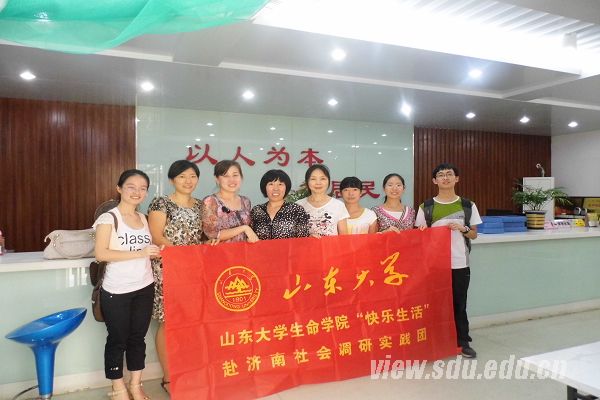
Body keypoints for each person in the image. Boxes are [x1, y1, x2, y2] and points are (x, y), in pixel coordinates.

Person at [93, 169, 161, 400]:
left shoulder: (143, 218)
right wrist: (140, 252)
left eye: (143, 188)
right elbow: (101, 254)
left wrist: (155, 252)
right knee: (117, 339)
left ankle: (135, 385)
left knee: (137, 339)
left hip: (144, 286)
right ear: (119, 188)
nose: (137, 192)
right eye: (131, 187)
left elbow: (148, 251)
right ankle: (118, 388)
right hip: (117, 290)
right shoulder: (108, 218)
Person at [414, 163, 482, 358]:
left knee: (459, 303)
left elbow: (474, 234)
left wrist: (463, 229)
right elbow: (419, 237)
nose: (445, 178)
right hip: (435, 265)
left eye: (449, 174)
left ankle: (462, 341)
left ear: (456, 179)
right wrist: (422, 233)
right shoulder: (426, 207)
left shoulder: (468, 205)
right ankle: (437, 340)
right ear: (434, 180)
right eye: (441, 175)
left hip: (460, 263)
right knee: (435, 303)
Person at [147, 160, 204, 394]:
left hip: (195, 271)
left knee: (190, 322)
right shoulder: (161, 203)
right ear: (172, 180)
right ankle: (169, 378)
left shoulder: (201, 205)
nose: (188, 181)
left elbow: (202, 237)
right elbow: (156, 236)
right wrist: (183, 257)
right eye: (182, 176)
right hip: (168, 268)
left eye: (192, 176)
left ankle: (188, 371)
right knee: (169, 322)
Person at [203, 160, 259, 243]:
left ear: (241, 177)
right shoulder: (210, 201)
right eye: (226, 176)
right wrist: (244, 228)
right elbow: (212, 234)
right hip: (221, 250)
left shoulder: (245, 201)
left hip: (244, 250)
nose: (231, 180)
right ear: (217, 179)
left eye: (235, 175)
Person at [250, 169, 310, 240]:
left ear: (286, 187)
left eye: (280, 184)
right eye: (271, 184)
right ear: (265, 187)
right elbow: (248, 237)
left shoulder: (296, 210)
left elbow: (303, 240)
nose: (276, 188)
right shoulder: (257, 210)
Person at [296, 164, 349, 237]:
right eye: (313, 179)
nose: (318, 183)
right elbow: (294, 236)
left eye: (323, 178)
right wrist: (307, 237)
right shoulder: (298, 205)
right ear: (307, 182)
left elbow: (344, 237)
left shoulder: (338, 205)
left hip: (331, 245)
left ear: (328, 181)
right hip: (306, 245)